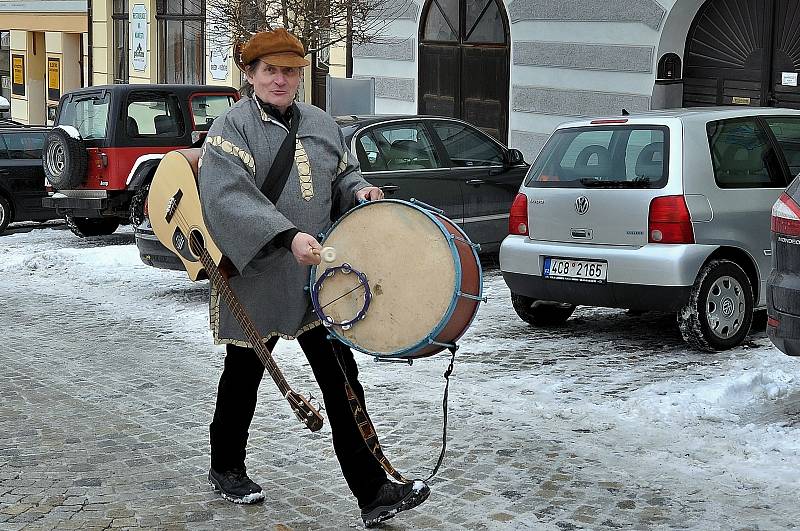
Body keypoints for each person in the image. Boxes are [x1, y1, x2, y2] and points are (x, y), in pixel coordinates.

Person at [196, 28, 430, 527]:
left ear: (301, 74)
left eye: (290, 71)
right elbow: (227, 198)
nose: (281, 80)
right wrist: (285, 237)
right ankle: (225, 466)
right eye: (270, 71)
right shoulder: (230, 129)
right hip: (258, 275)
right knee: (244, 377)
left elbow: (340, 177)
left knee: (343, 381)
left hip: (320, 279)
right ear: (251, 75)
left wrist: (361, 190)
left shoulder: (323, 124)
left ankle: (373, 492)